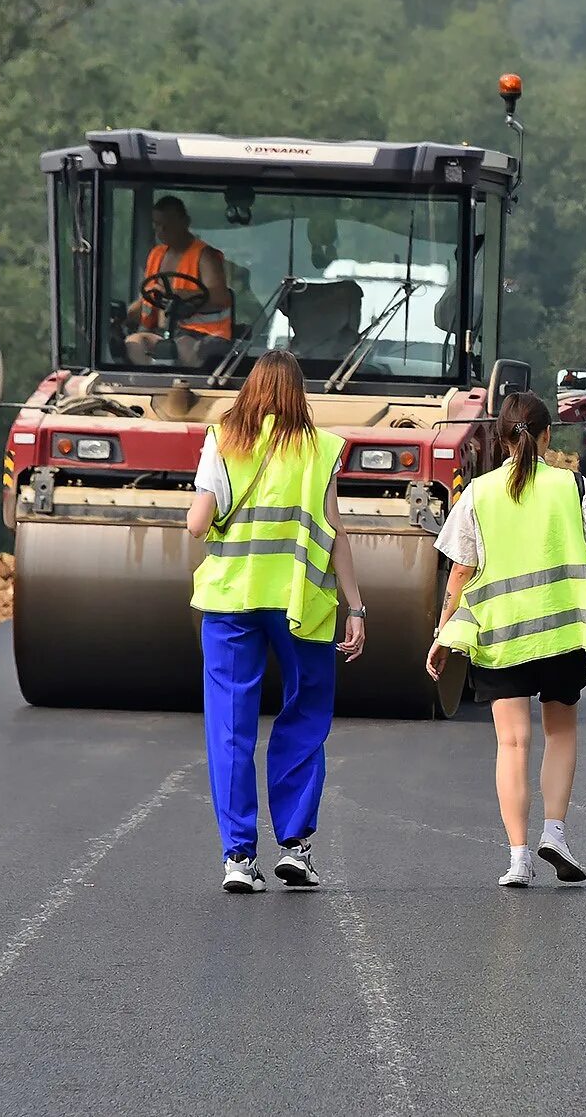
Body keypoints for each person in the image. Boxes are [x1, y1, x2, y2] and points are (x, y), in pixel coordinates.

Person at [187, 348, 366, 893]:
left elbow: (197, 524)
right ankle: (294, 847)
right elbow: (335, 536)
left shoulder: (222, 441)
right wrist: (354, 607)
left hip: (229, 604)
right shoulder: (321, 451)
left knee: (230, 728)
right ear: (298, 393)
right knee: (304, 719)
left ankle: (239, 859)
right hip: (301, 605)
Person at [429, 391, 586, 888]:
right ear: (546, 435)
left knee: (512, 742)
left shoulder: (478, 494)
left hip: (501, 636)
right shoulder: (573, 487)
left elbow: (459, 573)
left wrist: (443, 632)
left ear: (499, 440)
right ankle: (554, 833)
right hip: (562, 632)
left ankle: (518, 858)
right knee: (561, 733)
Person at [127, 196, 235, 367]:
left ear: (185, 222)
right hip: (164, 333)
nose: (161, 230)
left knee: (182, 346)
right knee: (134, 344)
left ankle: (184, 390)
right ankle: (152, 382)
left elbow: (220, 298)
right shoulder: (156, 254)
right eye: (157, 224)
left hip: (203, 335)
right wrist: (125, 315)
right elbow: (149, 298)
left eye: (168, 225)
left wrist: (178, 295)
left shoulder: (205, 255)